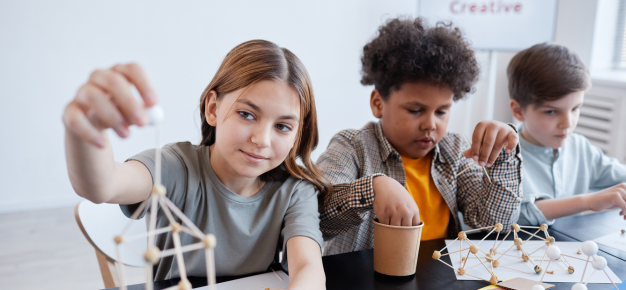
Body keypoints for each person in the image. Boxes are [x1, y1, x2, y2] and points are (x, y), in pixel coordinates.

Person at [63, 40, 327, 289]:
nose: (261, 140)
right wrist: (85, 131)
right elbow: (103, 186)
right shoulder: (175, 168)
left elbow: (308, 268)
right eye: (246, 114)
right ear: (213, 108)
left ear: (297, 134)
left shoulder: (295, 191)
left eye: (282, 126)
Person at [317, 17, 523, 255]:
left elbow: (495, 224)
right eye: (415, 110)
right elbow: (318, 217)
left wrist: (503, 155)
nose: (430, 124)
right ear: (378, 103)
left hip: (436, 276)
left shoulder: (455, 150)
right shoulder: (352, 147)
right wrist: (373, 188)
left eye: (442, 111)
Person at [508, 43, 626, 226]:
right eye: (551, 112)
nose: (568, 123)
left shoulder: (580, 147)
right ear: (518, 110)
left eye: (575, 108)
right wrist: (588, 201)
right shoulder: (502, 156)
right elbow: (510, 215)